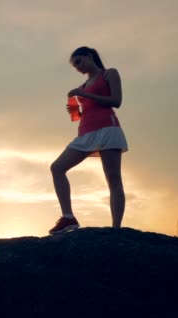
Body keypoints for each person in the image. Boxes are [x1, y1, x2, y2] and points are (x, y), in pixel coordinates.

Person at [49, 46, 128, 234]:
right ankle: (68, 218)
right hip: (85, 132)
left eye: (78, 61)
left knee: (113, 179)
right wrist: (76, 111)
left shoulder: (109, 73)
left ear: (89, 56)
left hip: (108, 129)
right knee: (57, 168)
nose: (77, 67)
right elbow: (80, 115)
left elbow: (116, 101)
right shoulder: (82, 86)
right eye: (74, 65)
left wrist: (84, 95)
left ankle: (116, 229)